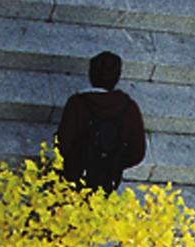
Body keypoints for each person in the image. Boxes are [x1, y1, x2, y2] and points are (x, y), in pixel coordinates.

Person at [55, 50, 147, 192]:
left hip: (74, 175)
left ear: (91, 74)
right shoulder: (129, 108)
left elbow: (62, 142)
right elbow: (137, 152)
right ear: (117, 77)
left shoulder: (77, 103)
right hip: (107, 179)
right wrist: (113, 163)